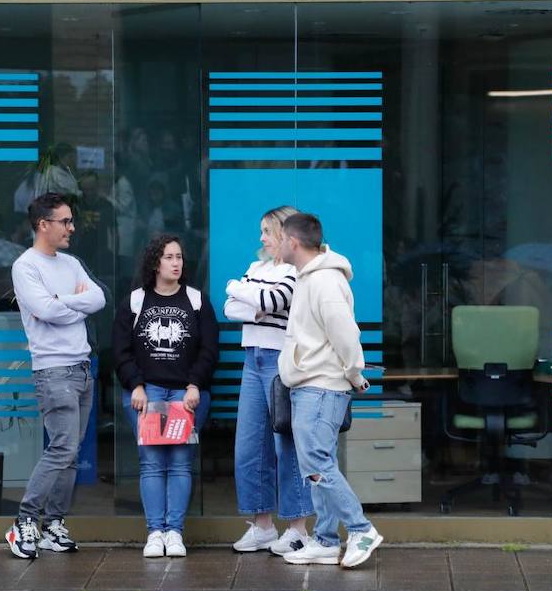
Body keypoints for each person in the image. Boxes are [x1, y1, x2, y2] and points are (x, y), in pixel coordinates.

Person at [275, 212, 383, 569]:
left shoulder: (323, 282)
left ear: (293, 242)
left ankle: (361, 528)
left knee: (318, 464)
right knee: (317, 464)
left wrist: (355, 375)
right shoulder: (308, 278)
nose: (273, 244)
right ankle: (324, 539)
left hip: (321, 387)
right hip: (311, 386)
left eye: (278, 238)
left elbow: (346, 335)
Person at [5, 193, 105, 559]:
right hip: (53, 370)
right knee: (62, 447)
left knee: (71, 452)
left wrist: (64, 302)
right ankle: (24, 521)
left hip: (81, 367)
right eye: (65, 221)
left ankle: (53, 525)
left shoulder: (72, 263)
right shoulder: (26, 266)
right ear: (43, 224)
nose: (71, 228)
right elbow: (44, 310)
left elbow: (99, 300)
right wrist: (72, 303)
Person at [112, 234, 219, 559]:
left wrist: (194, 385)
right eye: (169, 257)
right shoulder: (135, 301)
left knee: (181, 462)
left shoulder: (197, 300)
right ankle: (155, 533)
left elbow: (209, 349)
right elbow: (121, 351)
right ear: (155, 262)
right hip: (148, 393)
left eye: (180, 257)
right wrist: (137, 386)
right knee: (153, 464)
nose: (176, 263)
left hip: (186, 394)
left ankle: (175, 533)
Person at [224, 206, 314, 556]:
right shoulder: (256, 268)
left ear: (283, 233)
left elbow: (272, 300)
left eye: (266, 231)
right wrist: (253, 302)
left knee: (286, 445)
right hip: (252, 358)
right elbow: (231, 308)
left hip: (280, 362)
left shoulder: (297, 270)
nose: (260, 238)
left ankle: (296, 528)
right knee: (249, 446)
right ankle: (261, 526)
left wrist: (240, 291)